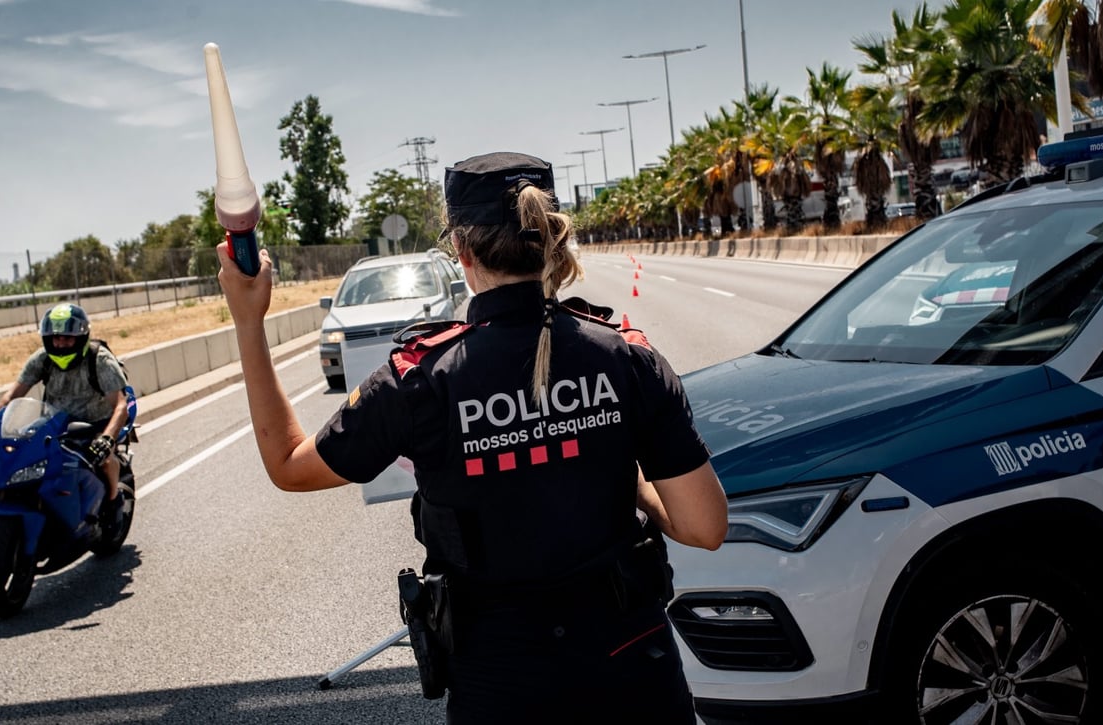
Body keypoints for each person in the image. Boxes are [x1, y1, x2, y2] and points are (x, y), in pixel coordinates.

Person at [217, 151, 727, 723]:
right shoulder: (629, 358)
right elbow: (704, 527)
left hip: (500, 684)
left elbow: (289, 464)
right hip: (634, 670)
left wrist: (248, 321)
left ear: (460, 251)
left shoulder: (420, 381)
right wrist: (620, 467)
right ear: (551, 239)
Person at [0, 303, 129, 523]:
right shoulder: (42, 359)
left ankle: (113, 502)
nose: (60, 344)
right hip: (54, 422)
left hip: (95, 423)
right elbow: (12, 395)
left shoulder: (100, 361)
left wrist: (107, 438)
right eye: (56, 338)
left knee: (105, 460)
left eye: (68, 338)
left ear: (81, 337)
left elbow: (120, 405)